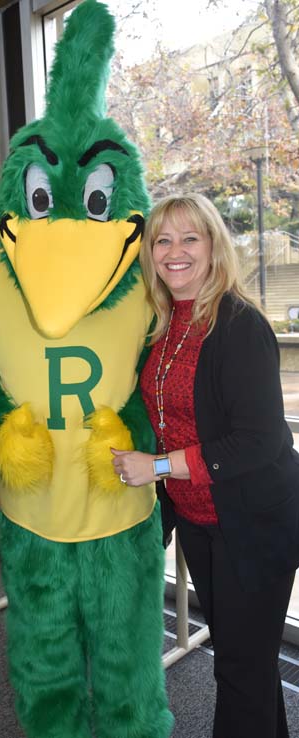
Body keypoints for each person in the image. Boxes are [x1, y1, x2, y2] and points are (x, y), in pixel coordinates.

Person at [111, 192, 299, 738]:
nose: (175, 251)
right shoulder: (165, 324)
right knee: (248, 664)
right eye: (162, 240)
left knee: (240, 666)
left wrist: (160, 467)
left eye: (190, 237)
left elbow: (262, 442)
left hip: (253, 524)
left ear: (214, 247)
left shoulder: (239, 325)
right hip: (199, 521)